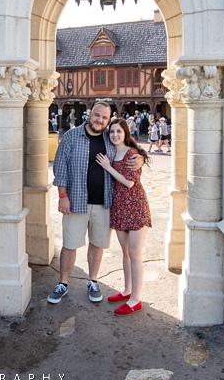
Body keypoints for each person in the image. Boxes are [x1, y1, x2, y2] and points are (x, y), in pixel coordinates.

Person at [50, 101, 141, 305]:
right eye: (97, 115)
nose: (100, 120)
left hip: (105, 203)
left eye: (104, 118)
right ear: (90, 114)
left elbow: (131, 149)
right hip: (76, 202)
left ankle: (92, 281)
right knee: (70, 244)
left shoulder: (111, 139)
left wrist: (141, 158)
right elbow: (60, 166)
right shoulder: (72, 136)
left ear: (108, 120)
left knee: (97, 244)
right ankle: (63, 283)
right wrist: (62, 196)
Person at [95, 118, 152, 316]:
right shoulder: (112, 152)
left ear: (125, 132)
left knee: (135, 253)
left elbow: (129, 183)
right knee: (125, 252)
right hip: (119, 206)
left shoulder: (132, 154)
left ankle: (136, 299)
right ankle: (127, 290)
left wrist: (108, 168)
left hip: (135, 205)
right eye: (112, 132)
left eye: (118, 131)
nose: (115, 135)